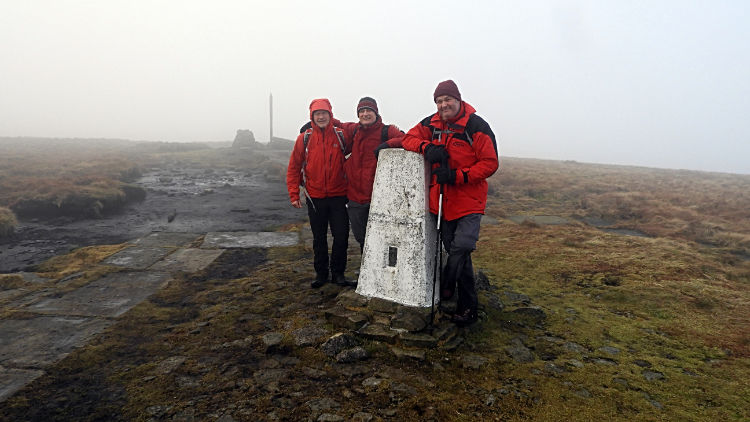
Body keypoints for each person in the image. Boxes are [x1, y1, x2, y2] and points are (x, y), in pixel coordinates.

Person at [401, 80, 499, 326]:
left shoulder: (476, 126)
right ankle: (467, 307)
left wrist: (458, 176)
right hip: (442, 202)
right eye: (439, 101)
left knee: (463, 246)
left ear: (458, 100)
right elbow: (408, 139)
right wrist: (427, 147)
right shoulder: (431, 124)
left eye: (448, 100)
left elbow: (489, 162)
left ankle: (447, 282)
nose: (443, 105)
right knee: (459, 256)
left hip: (469, 200)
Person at [300, 97, 404, 255]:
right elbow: (337, 124)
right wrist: (315, 121)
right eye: (362, 111)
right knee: (361, 238)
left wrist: (388, 144)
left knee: (381, 238)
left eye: (369, 110)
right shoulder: (354, 129)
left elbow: (408, 139)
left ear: (376, 113)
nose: (365, 114)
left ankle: (379, 274)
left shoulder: (387, 131)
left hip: (378, 197)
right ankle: (365, 272)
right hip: (355, 197)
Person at [287, 98, 350, 288]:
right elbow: (294, 167)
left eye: (324, 113)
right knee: (319, 238)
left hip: (340, 196)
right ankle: (321, 274)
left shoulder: (341, 136)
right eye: (317, 114)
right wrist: (294, 194)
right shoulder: (304, 138)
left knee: (341, 237)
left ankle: (338, 274)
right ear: (312, 116)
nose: (321, 117)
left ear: (330, 115)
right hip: (314, 198)